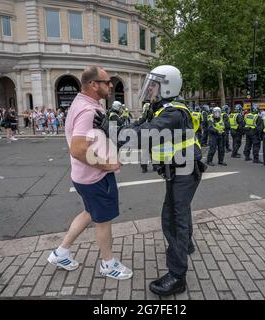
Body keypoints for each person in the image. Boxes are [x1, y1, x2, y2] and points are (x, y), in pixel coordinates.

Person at [94, 65, 205, 296]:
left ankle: (177, 276)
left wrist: (110, 130)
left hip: (184, 171)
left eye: (154, 85)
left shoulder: (174, 113)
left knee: (173, 219)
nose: (150, 89)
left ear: (167, 87)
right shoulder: (160, 108)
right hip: (177, 169)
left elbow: (146, 135)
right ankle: (186, 245)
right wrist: (112, 128)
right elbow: (138, 126)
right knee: (179, 213)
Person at [47, 66, 132, 281]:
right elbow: (77, 149)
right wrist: (107, 165)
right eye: (106, 82)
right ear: (94, 84)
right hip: (95, 177)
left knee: (88, 213)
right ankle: (108, 264)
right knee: (103, 221)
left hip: (83, 176)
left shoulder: (82, 103)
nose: (111, 85)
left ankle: (61, 253)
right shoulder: (88, 110)